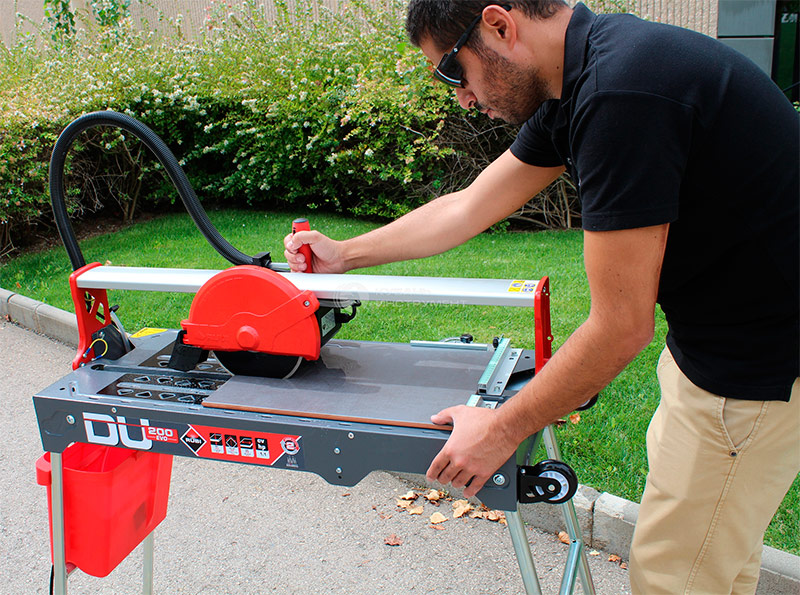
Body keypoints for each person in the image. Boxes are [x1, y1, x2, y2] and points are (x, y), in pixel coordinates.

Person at [284, 1, 799, 592]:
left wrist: (500, 429)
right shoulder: (581, 79)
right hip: (717, 345)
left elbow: (620, 327)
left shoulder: (622, 94)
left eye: (454, 72)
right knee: (717, 559)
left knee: (676, 577)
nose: (462, 99)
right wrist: (345, 255)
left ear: (500, 25)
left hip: (755, 369)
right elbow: (469, 206)